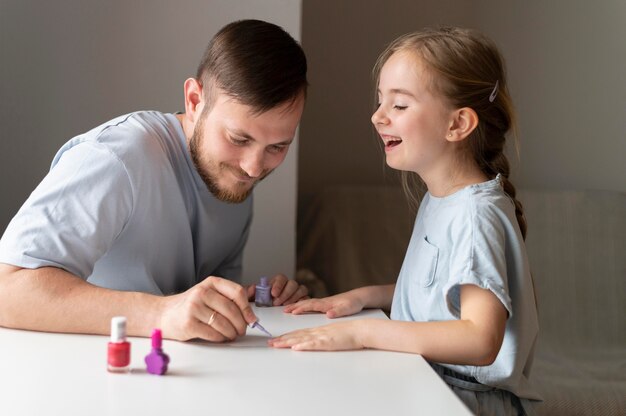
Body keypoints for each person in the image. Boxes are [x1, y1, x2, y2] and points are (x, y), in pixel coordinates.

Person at [269, 27, 541, 415]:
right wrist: (364, 297)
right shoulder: (445, 199)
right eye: (381, 102)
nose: (377, 116)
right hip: (431, 385)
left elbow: (481, 338)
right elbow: (441, 294)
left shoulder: (476, 214)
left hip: (466, 402)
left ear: (458, 124)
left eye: (399, 105)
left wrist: (364, 332)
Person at [0, 19, 309, 343]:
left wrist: (255, 300)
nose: (255, 168)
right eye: (238, 138)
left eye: (277, 147)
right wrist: (159, 314)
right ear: (193, 100)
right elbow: (7, 288)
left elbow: (195, 307)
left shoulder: (233, 179)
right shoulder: (119, 158)